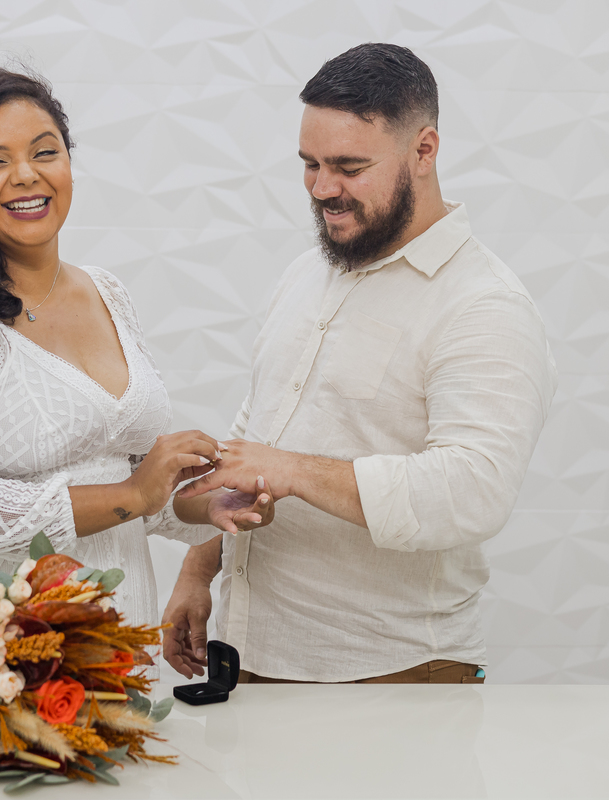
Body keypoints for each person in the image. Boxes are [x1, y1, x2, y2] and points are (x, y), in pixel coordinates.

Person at [162, 43, 558, 683]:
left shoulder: (485, 305)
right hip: (253, 659)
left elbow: (473, 490)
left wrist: (292, 470)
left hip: (391, 675)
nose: (323, 189)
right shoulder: (306, 272)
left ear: (424, 151)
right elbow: (259, 435)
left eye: (349, 166)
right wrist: (198, 568)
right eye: (310, 164)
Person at [0, 68, 273, 632]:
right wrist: (132, 493)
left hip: (117, 629)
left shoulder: (108, 292)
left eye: (45, 152)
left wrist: (204, 505)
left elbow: (135, 480)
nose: (26, 175)